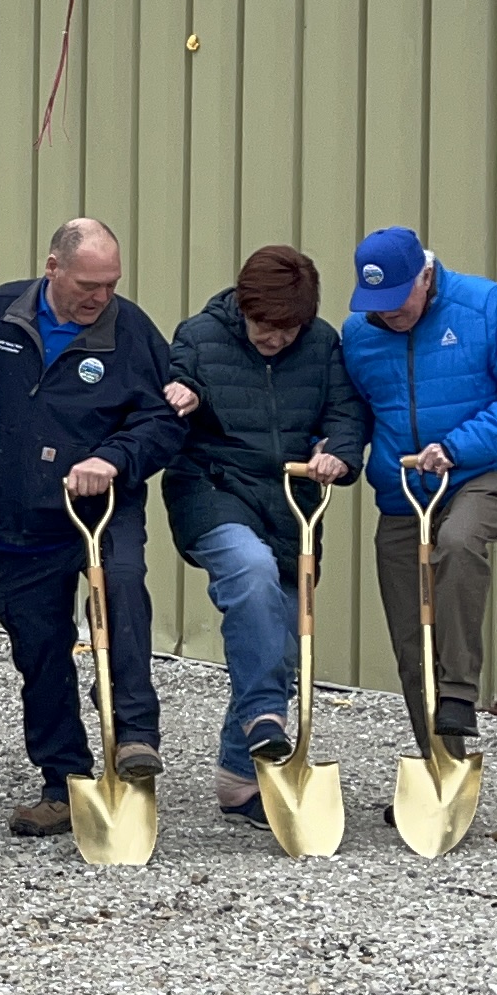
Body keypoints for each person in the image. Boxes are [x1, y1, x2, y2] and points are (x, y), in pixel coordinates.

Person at [0, 219, 185, 836]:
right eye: (89, 284)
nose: (100, 297)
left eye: (111, 283)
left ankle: (134, 733)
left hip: (102, 510)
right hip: (22, 515)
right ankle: (64, 781)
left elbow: (163, 423)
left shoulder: (131, 331)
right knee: (39, 649)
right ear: (53, 268)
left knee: (121, 586)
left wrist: (113, 458)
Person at [160, 245, 367, 824]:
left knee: (278, 636)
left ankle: (238, 780)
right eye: (261, 326)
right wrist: (184, 395)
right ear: (243, 306)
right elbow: (174, 382)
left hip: (290, 500)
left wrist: (340, 455)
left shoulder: (323, 344)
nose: (271, 339)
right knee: (248, 571)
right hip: (212, 487)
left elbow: (345, 416)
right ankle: (265, 718)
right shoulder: (200, 335)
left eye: (285, 329)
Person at [338, 227, 497, 749]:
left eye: (398, 302)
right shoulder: (360, 333)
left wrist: (458, 447)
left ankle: (459, 690)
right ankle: (441, 766)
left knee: (459, 543)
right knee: (411, 633)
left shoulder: (485, 306)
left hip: (484, 472)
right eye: (377, 305)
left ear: (426, 275)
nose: (389, 316)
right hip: (405, 490)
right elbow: (351, 410)